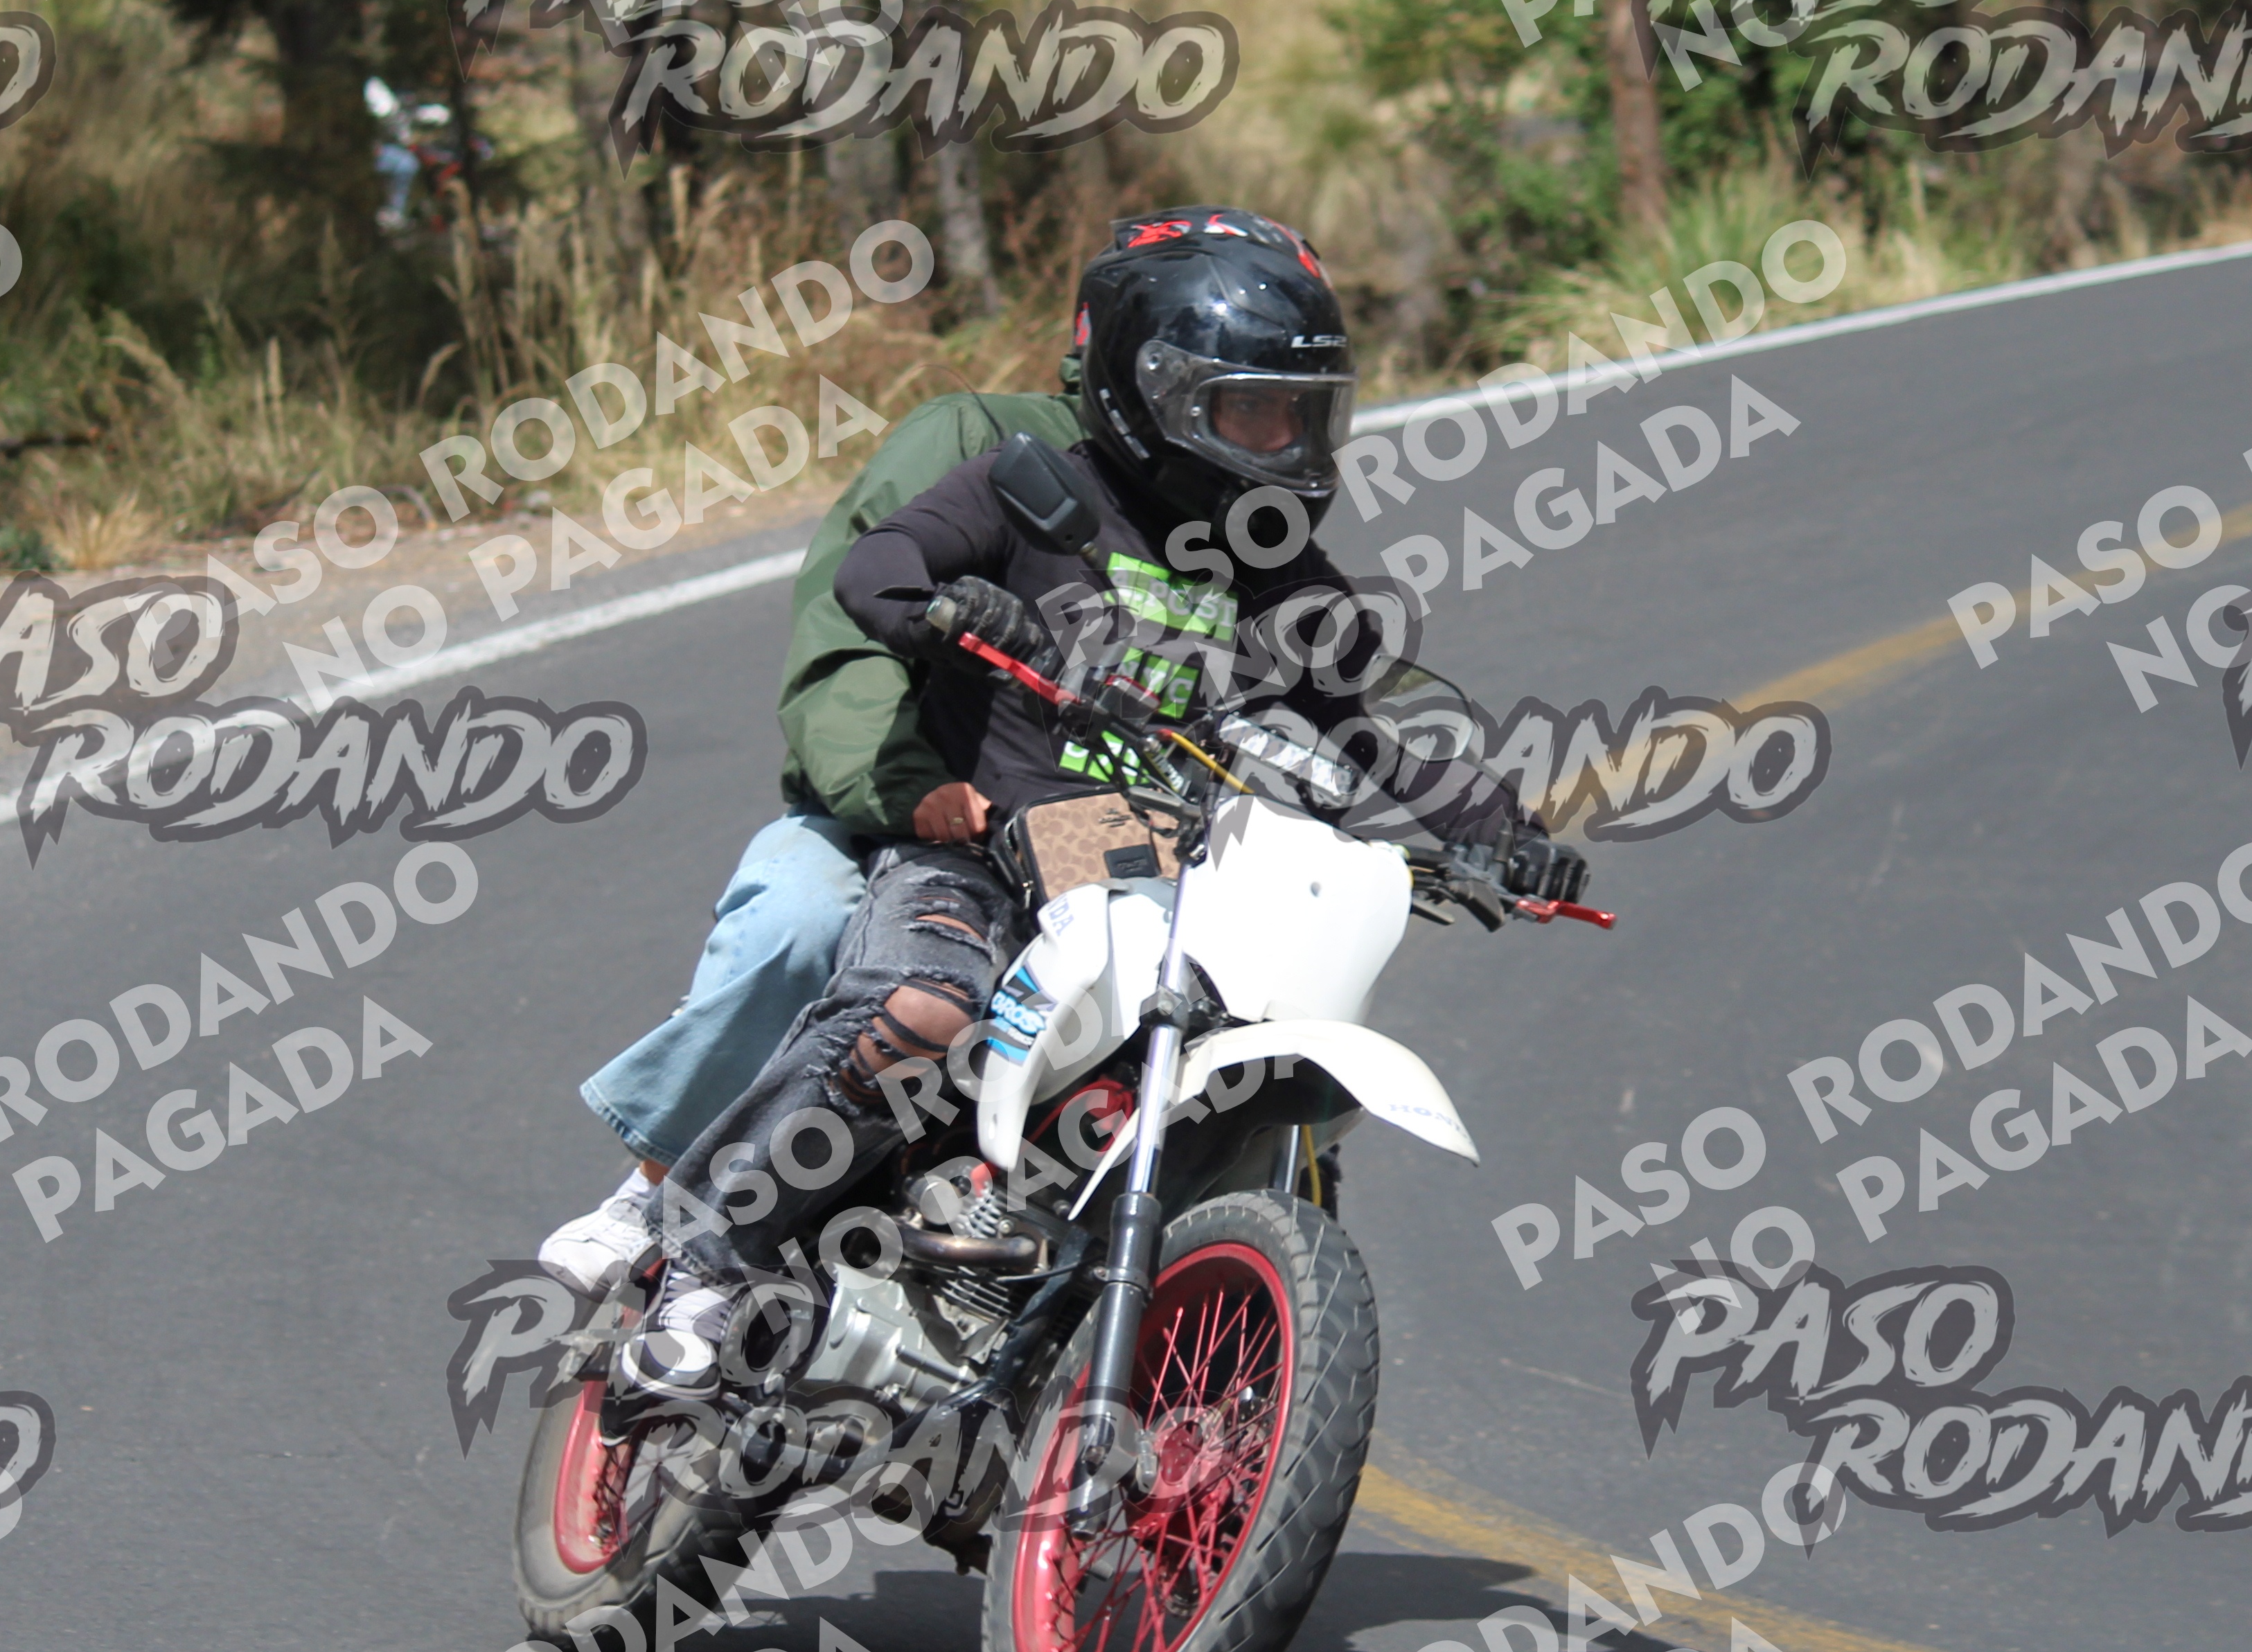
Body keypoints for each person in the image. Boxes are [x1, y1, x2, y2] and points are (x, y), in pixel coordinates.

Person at [621, 207, 1589, 1390]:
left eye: (1304, 413)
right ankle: (706, 1260)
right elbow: (878, 568)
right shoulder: (1028, 491)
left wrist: (1503, 835)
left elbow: (1365, 735)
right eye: (1254, 411)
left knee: (1230, 1040)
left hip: (1150, 875)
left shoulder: (1273, 564)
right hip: (983, 854)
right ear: (1154, 391)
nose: (1287, 441)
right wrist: (949, 608)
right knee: (920, 1011)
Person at [533, 380, 1080, 1299]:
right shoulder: (982, 436)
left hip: (1094, 850)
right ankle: (658, 1191)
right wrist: (906, 785)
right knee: (799, 923)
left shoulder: (1238, 507)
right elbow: (846, 631)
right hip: (904, 814)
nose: (1261, 431)